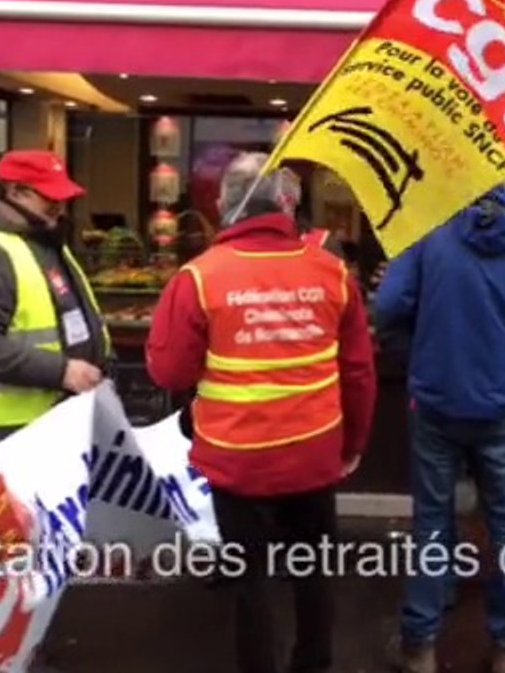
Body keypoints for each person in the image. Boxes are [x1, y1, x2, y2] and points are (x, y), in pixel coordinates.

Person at [146, 152, 377, 673]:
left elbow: (170, 374)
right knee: (313, 570)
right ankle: (313, 662)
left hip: (236, 460)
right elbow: (359, 371)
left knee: (250, 583)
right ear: (285, 203)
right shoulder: (333, 273)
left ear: (227, 206)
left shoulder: (199, 278)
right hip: (314, 452)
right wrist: (354, 444)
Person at [375, 187, 505, 673]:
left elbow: (387, 306)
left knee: (431, 523)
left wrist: (418, 346)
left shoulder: (428, 232)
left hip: (436, 401)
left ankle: (420, 645)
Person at [0, 150, 111, 448]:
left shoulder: (44, 241)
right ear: (15, 192)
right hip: (8, 431)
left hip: (55, 419)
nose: (59, 207)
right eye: (50, 197)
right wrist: (63, 371)